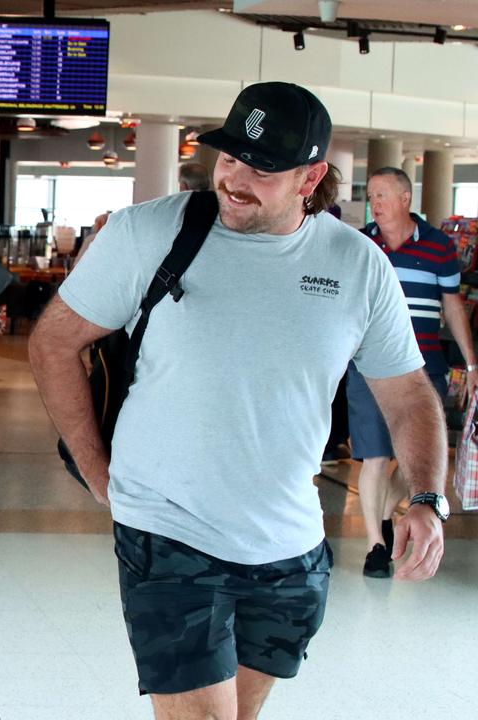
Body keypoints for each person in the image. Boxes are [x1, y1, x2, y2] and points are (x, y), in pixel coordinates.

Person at [29, 82, 448, 720]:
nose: (235, 178)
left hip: (290, 545)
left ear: (312, 177)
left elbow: (409, 396)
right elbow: (54, 345)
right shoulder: (150, 234)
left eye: (262, 168)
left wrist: (424, 497)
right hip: (167, 530)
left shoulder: (356, 266)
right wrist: (96, 473)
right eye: (229, 158)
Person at [351, 165, 475, 577]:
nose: (375, 203)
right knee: (374, 456)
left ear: (406, 199)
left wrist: (471, 362)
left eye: (382, 195)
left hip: (425, 368)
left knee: (415, 462)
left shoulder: (439, 247)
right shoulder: (359, 245)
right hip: (367, 369)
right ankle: (374, 546)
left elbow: (453, 305)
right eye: (371, 195)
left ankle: (386, 512)